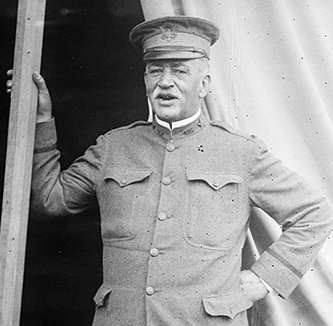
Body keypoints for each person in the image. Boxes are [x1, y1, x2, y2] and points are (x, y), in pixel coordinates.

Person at [8, 15, 333, 326]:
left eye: (179, 71)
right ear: (145, 79)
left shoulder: (241, 153)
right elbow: (50, 200)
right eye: (154, 70)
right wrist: (39, 121)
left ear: (204, 84)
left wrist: (264, 278)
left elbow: (315, 213)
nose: (165, 82)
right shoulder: (113, 147)